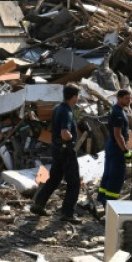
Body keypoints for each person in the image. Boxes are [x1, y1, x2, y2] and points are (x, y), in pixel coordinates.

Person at [31, 84, 83, 223]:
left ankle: (39, 204)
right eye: (77, 95)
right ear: (74, 96)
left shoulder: (58, 108)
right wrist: (71, 137)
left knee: (54, 179)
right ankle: (67, 213)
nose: (78, 98)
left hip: (57, 150)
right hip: (66, 151)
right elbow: (65, 133)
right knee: (74, 183)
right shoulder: (66, 112)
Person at [97, 89, 132, 205]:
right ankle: (110, 204)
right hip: (117, 147)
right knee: (116, 176)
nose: (129, 100)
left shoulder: (115, 109)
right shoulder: (118, 113)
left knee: (108, 173)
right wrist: (126, 151)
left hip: (111, 145)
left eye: (130, 98)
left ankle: (102, 199)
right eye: (126, 98)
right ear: (119, 98)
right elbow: (118, 135)